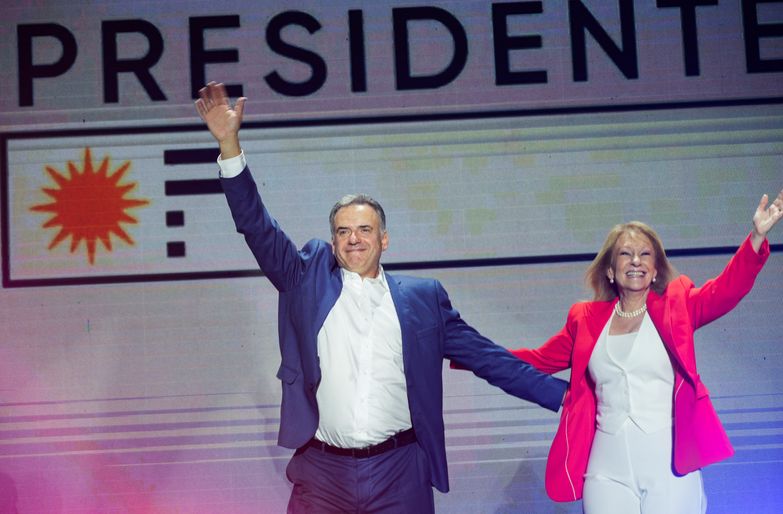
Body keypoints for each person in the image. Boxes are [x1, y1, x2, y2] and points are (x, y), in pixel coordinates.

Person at [194, 81, 568, 513]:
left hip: (400, 468)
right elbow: (256, 227)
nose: (354, 239)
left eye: (365, 230)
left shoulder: (424, 299)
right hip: (323, 472)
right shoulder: (303, 278)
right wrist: (229, 145)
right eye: (343, 231)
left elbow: (490, 359)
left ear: (384, 239)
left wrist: (566, 397)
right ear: (333, 242)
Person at [508, 188, 783, 514]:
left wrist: (756, 237)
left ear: (656, 270)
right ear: (610, 271)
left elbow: (725, 290)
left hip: (668, 461)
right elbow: (535, 361)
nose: (636, 261)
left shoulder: (677, 306)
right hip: (607, 465)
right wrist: (460, 348)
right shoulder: (585, 320)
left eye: (645, 255)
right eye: (625, 254)